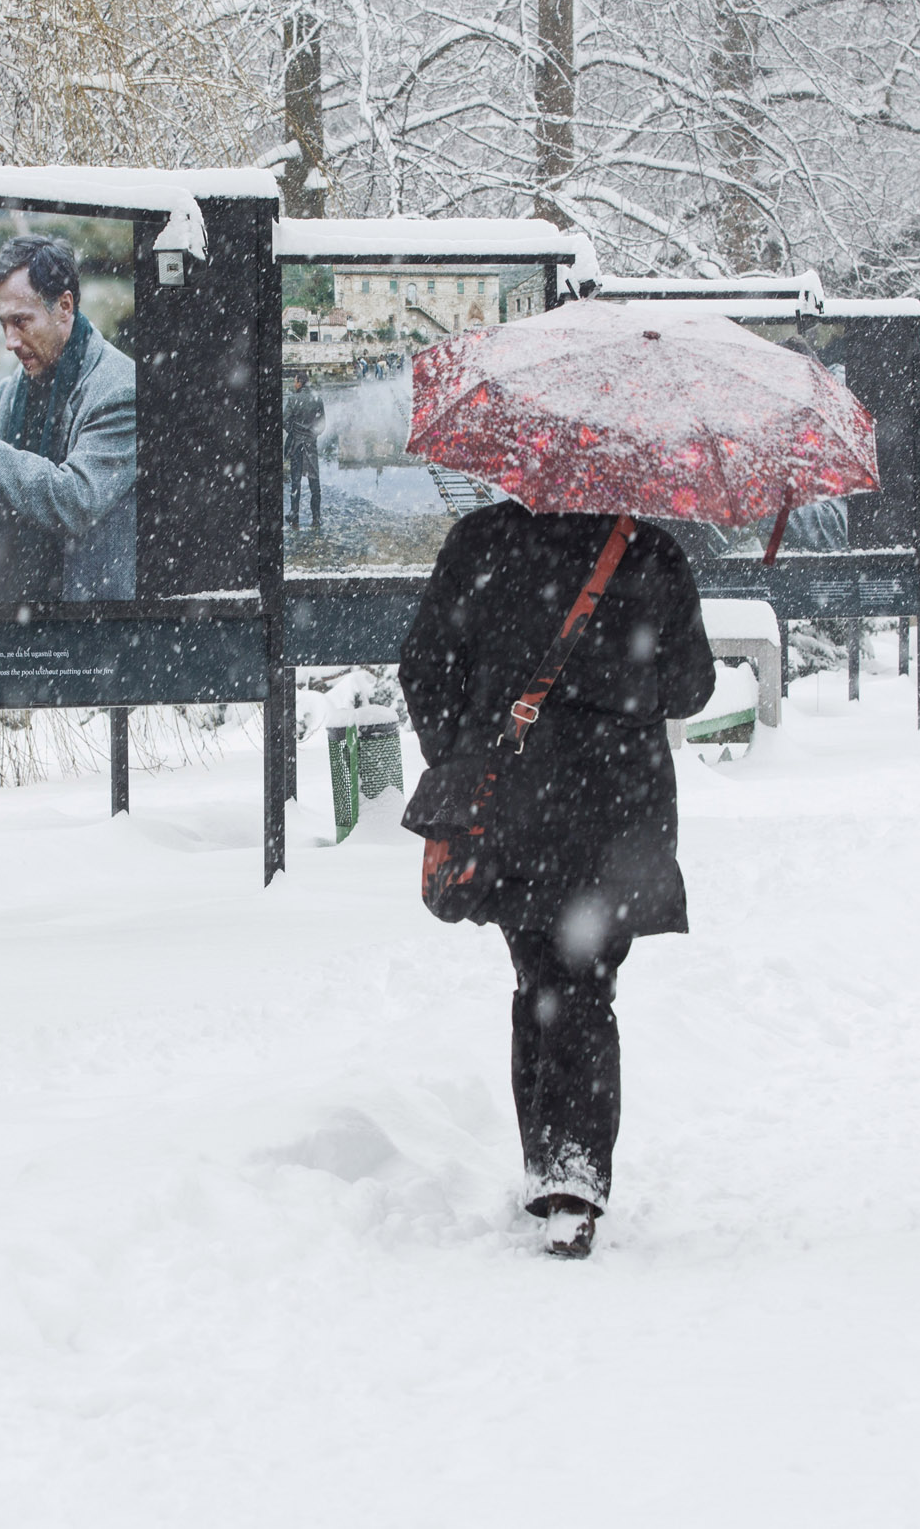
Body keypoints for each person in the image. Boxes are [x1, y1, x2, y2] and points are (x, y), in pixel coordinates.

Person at [399, 502, 717, 1258]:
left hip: (513, 803)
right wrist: (622, 683)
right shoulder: (650, 549)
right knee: (586, 979)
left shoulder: (483, 540)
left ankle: (550, 1166)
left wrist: (466, 748)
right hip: (619, 813)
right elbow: (691, 686)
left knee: (538, 970)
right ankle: (569, 1178)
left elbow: (424, 666)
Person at [0, 233, 137, 602]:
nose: (9, 341)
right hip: (12, 624)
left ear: (64, 307)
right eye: (2, 323)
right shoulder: (9, 392)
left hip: (91, 628)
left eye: (21, 321)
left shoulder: (120, 389)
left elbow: (75, 501)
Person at [284, 371, 325, 530]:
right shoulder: (317, 399)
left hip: (296, 444)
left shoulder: (293, 399)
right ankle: (316, 515)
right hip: (311, 444)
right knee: (314, 479)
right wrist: (312, 434)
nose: (294, 385)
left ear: (300, 383)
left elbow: (285, 420)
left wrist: (293, 431)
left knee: (296, 480)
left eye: (295, 382)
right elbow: (323, 424)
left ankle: (294, 513)